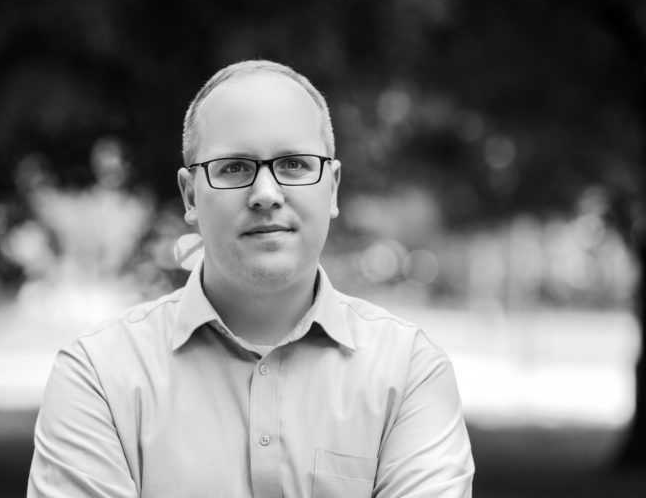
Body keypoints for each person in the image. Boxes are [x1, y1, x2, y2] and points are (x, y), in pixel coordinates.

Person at [27, 59, 474, 497]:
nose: (265, 194)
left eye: (294, 164)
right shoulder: (99, 376)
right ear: (190, 196)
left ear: (333, 187)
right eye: (234, 168)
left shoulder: (409, 371)